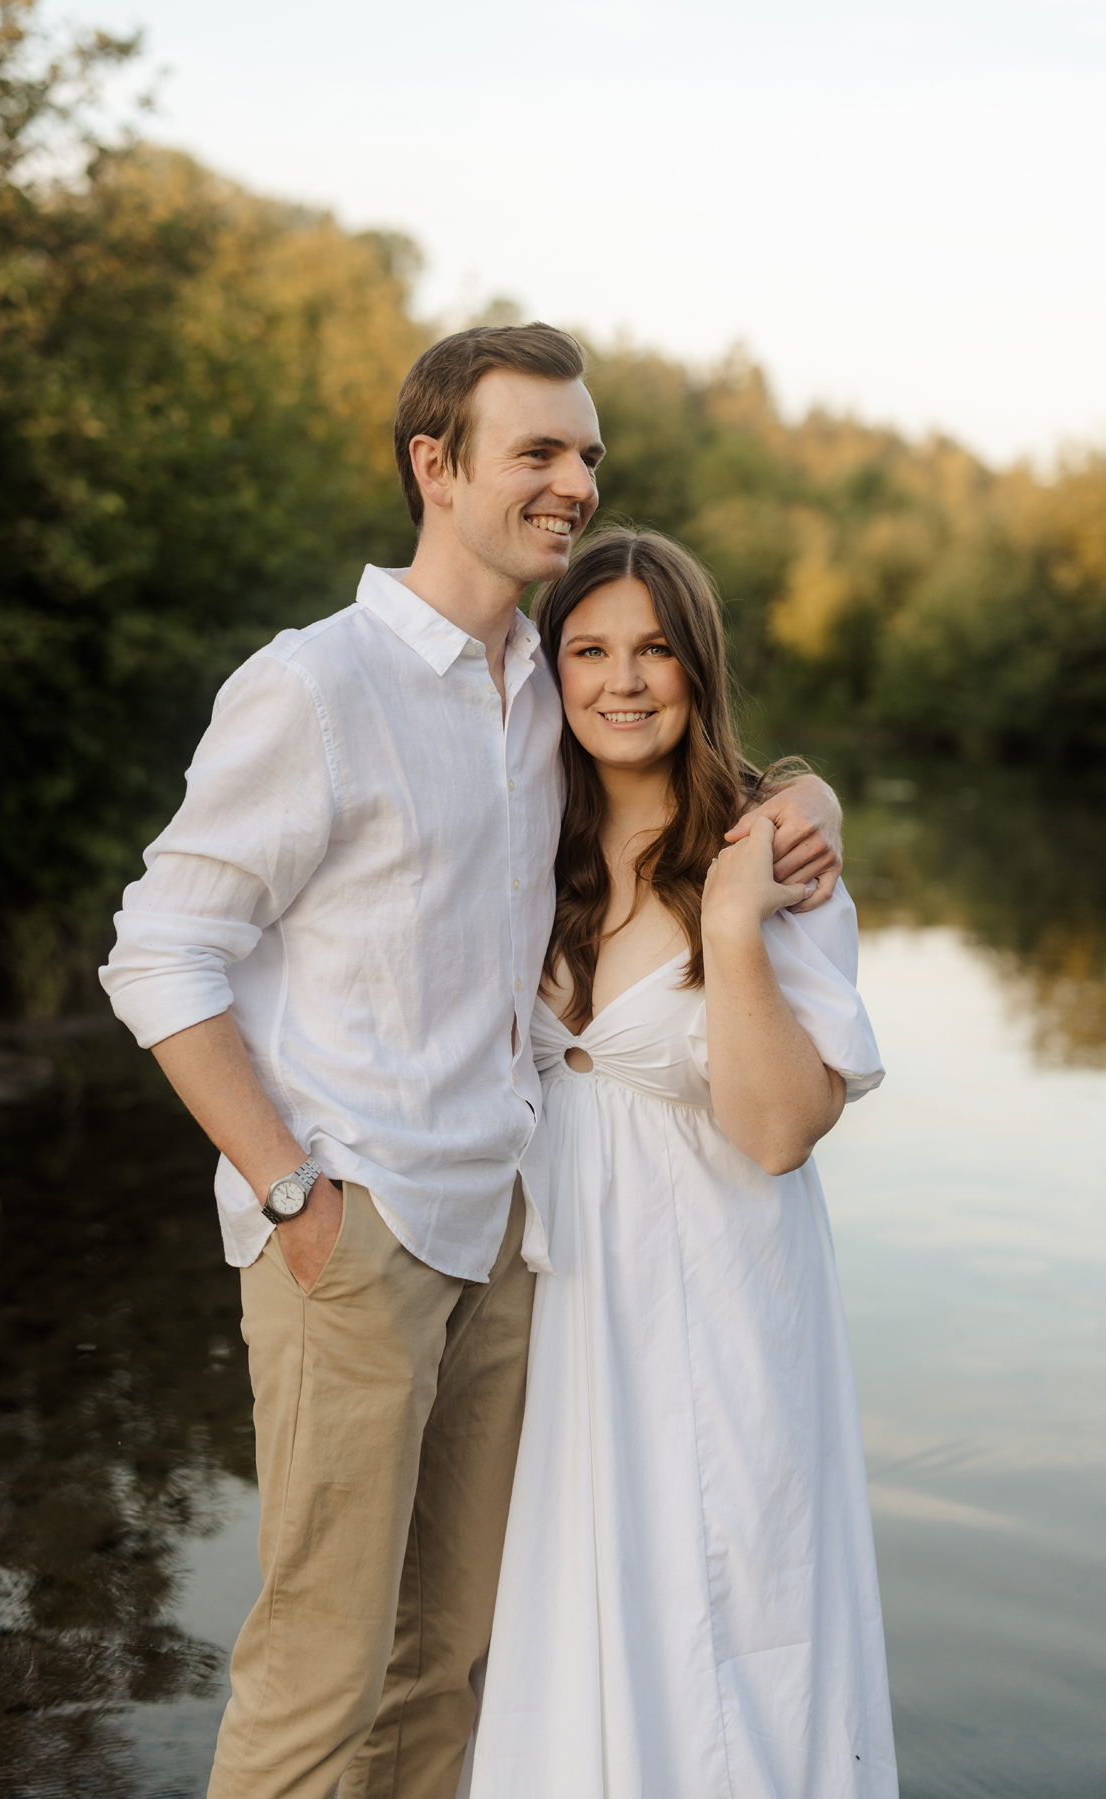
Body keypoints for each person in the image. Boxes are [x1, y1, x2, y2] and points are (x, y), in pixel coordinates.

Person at [99, 324, 846, 1799]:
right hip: (356, 1226)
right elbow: (156, 950)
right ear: (434, 468)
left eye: (587, 455)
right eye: (539, 452)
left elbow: (682, 752)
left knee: (449, 1661)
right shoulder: (317, 686)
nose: (573, 482)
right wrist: (291, 1185)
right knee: (321, 1664)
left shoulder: (536, 686)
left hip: (510, 1233)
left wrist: (807, 799)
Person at [467, 528, 898, 1799]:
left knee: (736, 1592)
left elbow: (775, 1130)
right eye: (589, 649)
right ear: (550, 672)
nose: (624, 679)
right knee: (569, 1587)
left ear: (698, 666)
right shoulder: (524, 847)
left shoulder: (777, 861)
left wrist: (729, 920)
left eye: (655, 648)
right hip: (567, 1294)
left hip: (724, 1287)